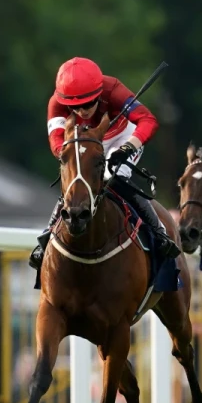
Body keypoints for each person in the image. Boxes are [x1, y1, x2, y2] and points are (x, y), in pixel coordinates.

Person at [30, 57, 180, 270]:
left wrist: (127, 148)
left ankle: (160, 233)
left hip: (121, 137)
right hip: (83, 142)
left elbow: (148, 120)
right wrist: (69, 155)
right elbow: (56, 142)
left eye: (88, 104)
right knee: (76, 181)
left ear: (98, 94)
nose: (82, 111)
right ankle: (47, 236)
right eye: (75, 107)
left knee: (115, 177)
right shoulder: (56, 103)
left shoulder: (113, 90)